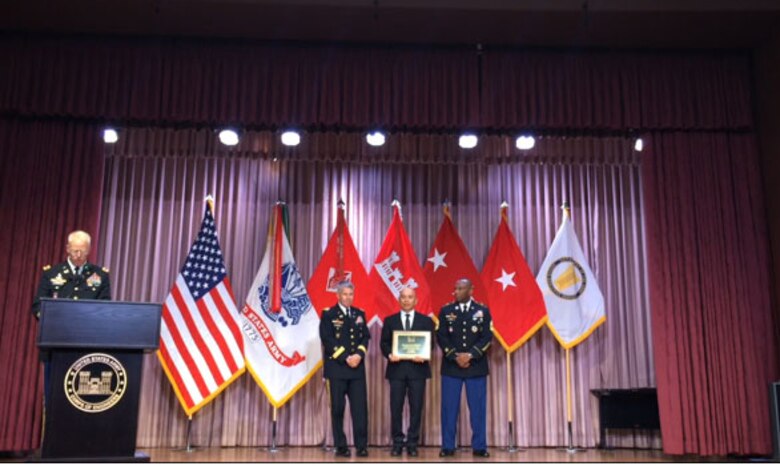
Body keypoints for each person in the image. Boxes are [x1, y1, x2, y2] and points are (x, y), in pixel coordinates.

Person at [436, 278, 493, 458]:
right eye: (456, 288)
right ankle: (447, 446)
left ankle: (479, 446)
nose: (457, 291)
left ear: (470, 290)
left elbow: (486, 337)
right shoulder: (446, 311)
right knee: (449, 408)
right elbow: (442, 337)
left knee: (477, 408)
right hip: (452, 367)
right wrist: (455, 356)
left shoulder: (482, 311)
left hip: (475, 366)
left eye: (461, 288)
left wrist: (470, 355)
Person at [380, 287, 434, 457]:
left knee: (416, 408)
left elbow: (430, 344)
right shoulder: (390, 320)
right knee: (395, 408)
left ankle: (412, 443)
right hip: (396, 371)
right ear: (399, 300)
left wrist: (424, 356)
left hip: (418, 371)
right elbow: (384, 343)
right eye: (403, 297)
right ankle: (397, 442)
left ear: (416, 300)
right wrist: (390, 354)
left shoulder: (426, 321)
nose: (406, 300)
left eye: (410, 297)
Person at [319, 282, 370, 457]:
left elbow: (365, 338)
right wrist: (345, 357)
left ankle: (362, 445)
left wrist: (359, 355)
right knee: (338, 409)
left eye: (351, 294)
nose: (348, 297)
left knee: (360, 409)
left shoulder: (359, 313)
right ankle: (341, 445)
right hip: (337, 369)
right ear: (338, 295)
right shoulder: (329, 314)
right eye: (345, 294)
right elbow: (327, 339)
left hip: (357, 369)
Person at [32, 230, 111, 319]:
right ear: (68, 249)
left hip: (87, 326)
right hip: (57, 325)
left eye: (83, 251)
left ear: (89, 249)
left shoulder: (100, 275)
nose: (79, 255)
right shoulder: (51, 273)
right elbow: (38, 305)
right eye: (75, 251)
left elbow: (105, 306)